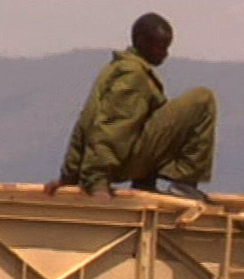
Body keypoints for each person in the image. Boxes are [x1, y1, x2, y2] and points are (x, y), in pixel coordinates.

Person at [48, 12, 215, 201]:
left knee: (155, 115)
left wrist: (69, 175)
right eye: (159, 47)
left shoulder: (118, 69)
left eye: (166, 47)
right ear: (141, 41)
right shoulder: (133, 75)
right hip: (117, 164)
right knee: (202, 99)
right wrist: (97, 181)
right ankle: (185, 182)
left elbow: (86, 121)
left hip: (117, 161)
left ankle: (146, 181)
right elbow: (112, 129)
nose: (164, 54)